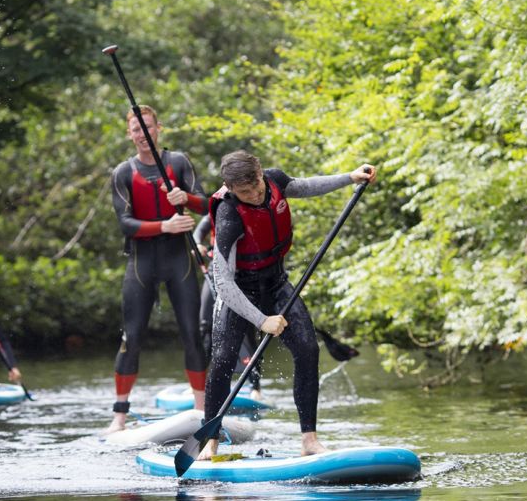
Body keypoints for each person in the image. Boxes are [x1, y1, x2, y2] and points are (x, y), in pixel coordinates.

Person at [200, 150, 376, 459]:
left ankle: (309, 439)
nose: (254, 195)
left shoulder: (275, 180)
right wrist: (261, 320)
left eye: (256, 186)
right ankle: (209, 441)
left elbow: (305, 186)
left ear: (261, 174)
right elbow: (224, 284)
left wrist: (349, 177)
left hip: (277, 284)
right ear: (230, 189)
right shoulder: (229, 215)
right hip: (240, 292)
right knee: (224, 358)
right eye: (245, 193)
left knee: (308, 349)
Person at [106, 105, 208, 433]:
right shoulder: (123, 172)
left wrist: (186, 198)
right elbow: (125, 223)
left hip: (179, 260)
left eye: (147, 128)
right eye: (137, 129)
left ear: (158, 128)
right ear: (130, 134)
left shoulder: (178, 163)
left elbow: (207, 204)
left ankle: (201, 409)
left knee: (192, 334)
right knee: (131, 337)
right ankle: (119, 417)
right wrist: (165, 226)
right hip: (142, 263)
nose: (143, 135)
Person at [194, 215, 262, 400]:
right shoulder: (217, 210)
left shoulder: (251, 210)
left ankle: (255, 386)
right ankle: (202, 385)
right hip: (217, 272)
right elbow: (197, 233)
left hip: (244, 274)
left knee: (246, 327)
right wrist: (198, 244)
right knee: (205, 326)